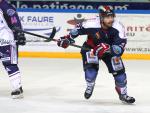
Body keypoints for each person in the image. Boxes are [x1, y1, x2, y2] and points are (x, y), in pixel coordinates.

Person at [57, 6, 135, 104]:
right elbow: (76, 31)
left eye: (111, 16)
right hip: (91, 48)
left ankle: (123, 94)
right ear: (101, 17)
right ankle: (90, 85)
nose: (110, 19)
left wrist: (109, 48)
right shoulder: (91, 23)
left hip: (109, 51)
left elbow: (120, 48)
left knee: (120, 74)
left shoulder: (118, 27)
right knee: (91, 73)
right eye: (107, 17)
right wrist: (67, 39)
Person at [0, 0, 26, 99]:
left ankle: (17, 88)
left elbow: (14, 20)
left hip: (6, 40)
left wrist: (19, 33)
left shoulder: (5, 6)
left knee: (9, 64)